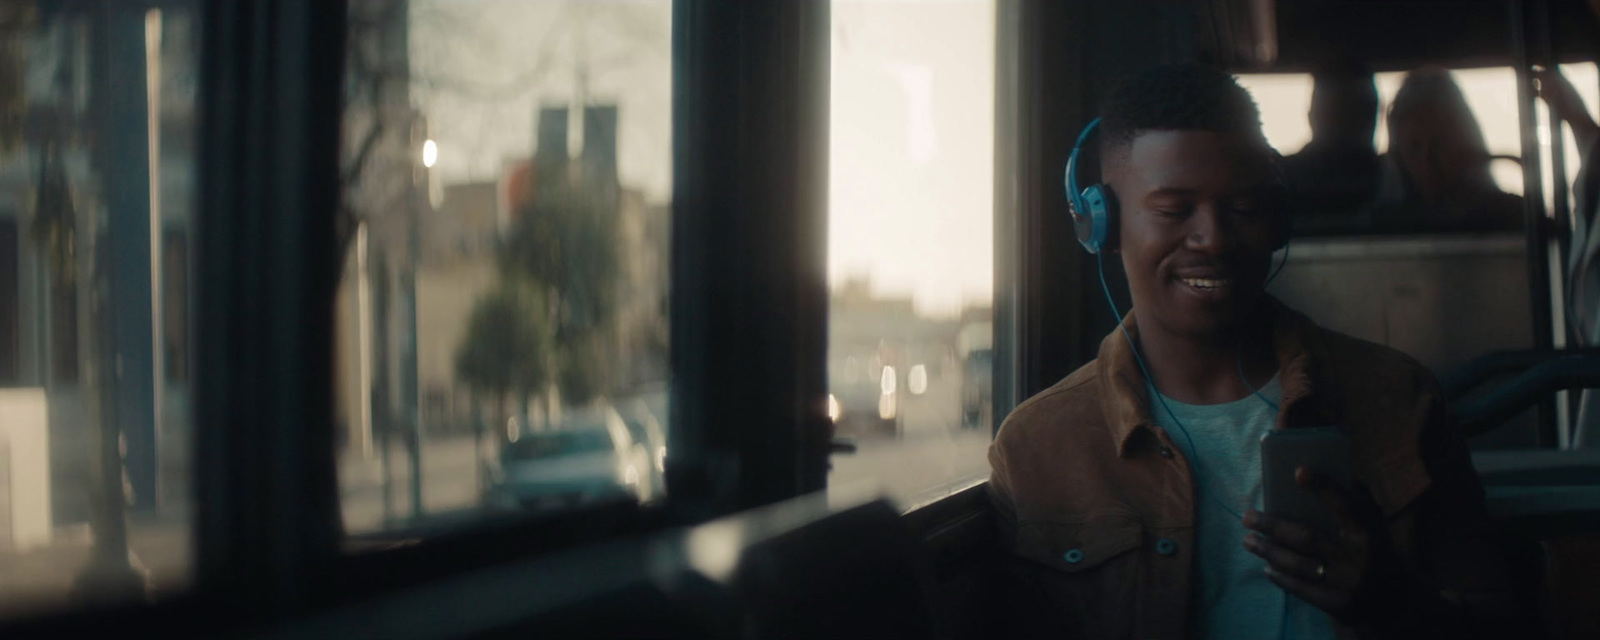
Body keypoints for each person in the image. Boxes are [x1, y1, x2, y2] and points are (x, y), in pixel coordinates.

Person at [986, 64, 1545, 639]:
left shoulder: (1401, 401)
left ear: (1277, 220)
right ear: (1101, 224)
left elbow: (1504, 625)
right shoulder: (1037, 448)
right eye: (1175, 210)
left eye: (1243, 208)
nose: (1213, 238)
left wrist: (1392, 602)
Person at [1375, 67, 1523, 233]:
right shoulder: (1383, 227)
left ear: (1465, 141)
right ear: (1398, 154)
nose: (1427, 159)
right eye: (1414, 147)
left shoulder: (1513, 216)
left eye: (1439, 143)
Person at [1282, 59, 1382, 227]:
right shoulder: (1395, 181)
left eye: (1363, 111)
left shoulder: (1281, 179)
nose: (1351, 121)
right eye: (1340, 110)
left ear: (1311, 115)